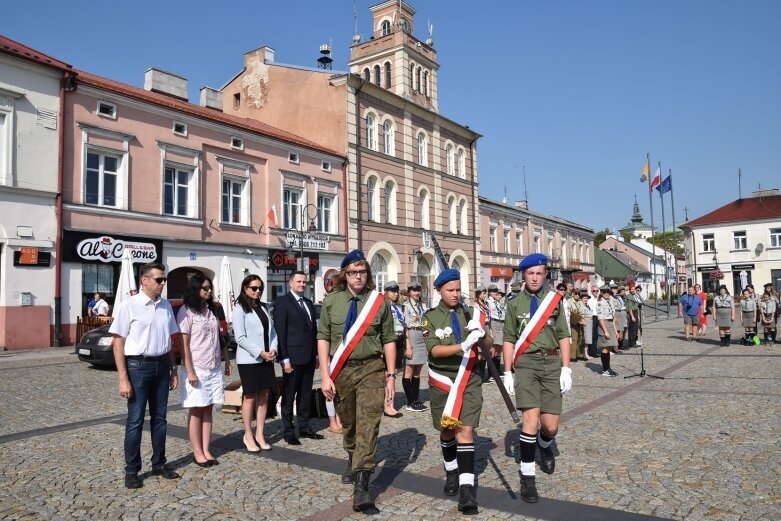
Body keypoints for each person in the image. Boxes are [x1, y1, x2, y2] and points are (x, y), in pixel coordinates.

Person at [317, 250, 396, 513]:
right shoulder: (332, 302)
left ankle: (362, 485)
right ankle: (352, 455)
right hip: (342, 372)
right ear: (344, 275)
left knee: (368, 423)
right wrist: (326, 374)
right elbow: (324, 338)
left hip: (372, 368)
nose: (358, 276)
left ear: (368, 274)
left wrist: (391, 376)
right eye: (353, 272)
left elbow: (388, 340)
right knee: (349, 422)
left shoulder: (379, 302)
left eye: (362, 271)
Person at [502, 253, 572, 503]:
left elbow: (564, 335)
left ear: (545, 275)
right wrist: (507, 370)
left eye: (539, 273)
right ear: (523, 275)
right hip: (527, 364)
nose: (534, 277)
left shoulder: (555, 301)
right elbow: (509, 338)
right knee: (530, 419)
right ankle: (527, 477)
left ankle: (544, 445)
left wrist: (566, 368)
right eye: (530, 273)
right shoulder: (513, 304)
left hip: (552, 363)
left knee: (551, 426)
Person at [110, 262, 180, 489]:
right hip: (138, 366)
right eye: (159, 279)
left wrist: (173, 369)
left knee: (160, 419)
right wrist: (123, 377)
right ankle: (132, 470)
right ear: (145, 280)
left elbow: (169, 340)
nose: (162, 284)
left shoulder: (166, 306)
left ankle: (159, 463)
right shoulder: (128, 306)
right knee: (135, 420)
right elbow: (118, 343)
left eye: (164, 280)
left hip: (161, 365)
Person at [424, 268, 488, 514]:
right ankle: (450, 469)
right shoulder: (428, 317)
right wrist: (462, 345)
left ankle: (466, 490)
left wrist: (481, 335)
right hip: (443, 380)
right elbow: (434, 350)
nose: (455, 294)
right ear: (439, 290)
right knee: (448, 431)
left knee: (466, 430)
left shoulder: (471, 313)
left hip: (469, 378)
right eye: (450, 290)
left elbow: (490, 344)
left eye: (458, 289)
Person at [178, 274, 232, 467]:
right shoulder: (186, 312)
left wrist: (226, 360)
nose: (209, 291)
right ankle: (197, 451)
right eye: (205, 288)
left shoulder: (211, 311)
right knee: (196, 409)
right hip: (197, 367)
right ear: (195, 289)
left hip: (213, 365)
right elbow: (184, 344)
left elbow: (220, 337)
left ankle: (206, 449)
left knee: (209, 408)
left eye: (210, 288)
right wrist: (190, 371)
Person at [273, 271, 324, 445]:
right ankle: (288, 431)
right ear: (291, 283)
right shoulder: (282, 303)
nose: (302, 284)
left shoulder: (309, 303)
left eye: (304, 282)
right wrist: (284, 359)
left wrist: (316, 354)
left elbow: (313, 331)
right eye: (299, 281)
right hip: (292, 359)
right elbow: (280, 333)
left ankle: (304, 427)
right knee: (289, 395)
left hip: (309, 357)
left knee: (305, 394)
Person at [233, 274, 277, 452]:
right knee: (250, 396)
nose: (257, 291)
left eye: (260, 288)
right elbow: (240, 338)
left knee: (264, 395)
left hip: (267, 358)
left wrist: (273, 349)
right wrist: (260, 353)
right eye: (253, 288)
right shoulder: (239, 308)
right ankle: (248, 435)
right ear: (245, 288)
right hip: (249, 360)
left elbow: (272, 332)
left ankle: (260, 433)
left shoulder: (264, 307)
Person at [402, 281, 428, 412]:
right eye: (414, 290)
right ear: (409, 292)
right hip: (411, 335)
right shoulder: (406, 306)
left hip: (421, 335)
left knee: (417, 370)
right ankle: (410, 401)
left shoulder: (422, 306)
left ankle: (416, 399)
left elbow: (424, 321)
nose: (416, 293)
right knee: (409, 370)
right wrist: (407, 346)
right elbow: (405, 327)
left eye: (418, 290)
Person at [383, 281, 405, 418]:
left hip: (399, 340)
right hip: (389, 341)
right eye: (392, 291)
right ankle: (387, 405)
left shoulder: (398, 307)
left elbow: (404, 324)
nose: (395, 294)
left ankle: (390, 403)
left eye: (397, 291)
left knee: (394, 373)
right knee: (388, 375)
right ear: (386, 292)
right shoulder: (384, 307)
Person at [596, 286, 619, 376]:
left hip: (610, 324)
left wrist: (616, 331)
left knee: (609, 347)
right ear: (601, 293)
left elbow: (612, 317)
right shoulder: (600, 303)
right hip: (604, 325)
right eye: (604, 291)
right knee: (605, 347)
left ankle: (608, 368)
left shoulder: (609, 301)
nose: (606, 293)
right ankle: (605, 370)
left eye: (608, 291)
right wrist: (605, 331)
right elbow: (601, 318)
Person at [485, 285, 505, 381]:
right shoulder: (488, 302)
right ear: (489, 292)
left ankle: (497, 370)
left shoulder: (497, 302)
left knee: (499, 348)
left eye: (496, 291)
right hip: (494, 322)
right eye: (493, 291)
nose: (495, 293)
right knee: (493, 348)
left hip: (501, 322)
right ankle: (491, 373)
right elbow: (489, 315)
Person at [581, 290, 594, 361]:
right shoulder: (582, 306)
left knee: (588, 339)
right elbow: (582, 315)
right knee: (586, 339)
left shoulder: (587, 305)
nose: (586, 299)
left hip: (590, 322)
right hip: (586, 322)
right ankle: (585, 354)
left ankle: (587, 353)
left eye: (587, 298)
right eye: (584, 298)